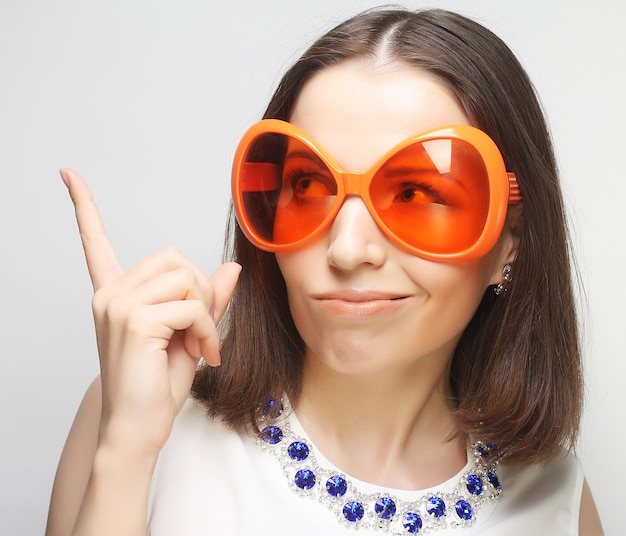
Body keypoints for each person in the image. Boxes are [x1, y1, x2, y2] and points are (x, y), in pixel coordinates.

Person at [46, 7, 604, 536]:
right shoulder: (137, 415)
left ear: (513, 241)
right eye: (308, 187)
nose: (346, 248)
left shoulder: (555, 499)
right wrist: (126, 449)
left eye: (414, 192)